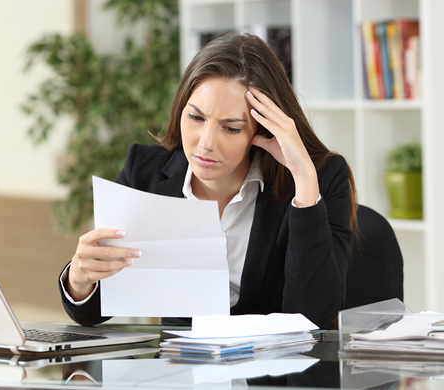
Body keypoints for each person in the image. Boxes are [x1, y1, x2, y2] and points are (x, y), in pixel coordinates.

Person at [57, 31, 357, 329]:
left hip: (274, 370)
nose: (206, 143)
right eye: (196, 118)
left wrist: (304, 179)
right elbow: (96, 310)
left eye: (231, 128)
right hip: (177, 369)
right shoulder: (145, 170)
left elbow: (312, 316)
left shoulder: (320, 178)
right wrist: (80, 279)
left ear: (263, 130)